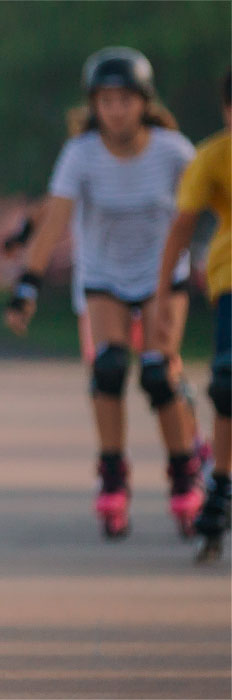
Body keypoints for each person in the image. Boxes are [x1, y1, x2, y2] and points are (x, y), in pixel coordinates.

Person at [6, 47, 201, 540]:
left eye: (125, 100)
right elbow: (55, 219)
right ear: (93, 105)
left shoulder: (173, 151)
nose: (115, 110)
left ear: (144, 103)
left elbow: (210, 199)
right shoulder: (81, 154)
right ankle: (113, 474)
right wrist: (27, 283)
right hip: (105, 277)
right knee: (109, 369)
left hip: (162, 276)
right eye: (105, 101)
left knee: (158, 375)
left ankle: (185, 474)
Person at [151, 70, 230, 562]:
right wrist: (162, 294)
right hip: (230, 278)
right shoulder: (213, 157)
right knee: (227, 383)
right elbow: (182, 227)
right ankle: (221, 484)